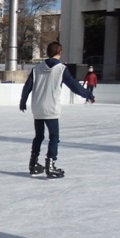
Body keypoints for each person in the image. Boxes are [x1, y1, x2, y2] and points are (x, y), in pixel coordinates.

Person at [20, 41, 96, 178]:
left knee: (39, 136)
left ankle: (33, 163)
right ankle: (50, 164)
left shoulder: (36, 69)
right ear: (60, 53)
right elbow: (74, 86)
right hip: (51, 108)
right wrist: (89, 95)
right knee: (54, 137)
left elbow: (27, 86)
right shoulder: (61, 69)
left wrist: (23, 102)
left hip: (37, 107)